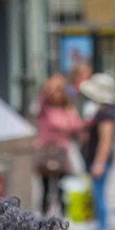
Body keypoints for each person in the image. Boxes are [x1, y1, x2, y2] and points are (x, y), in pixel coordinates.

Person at [34, 72, 84, 216]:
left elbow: (76, 126)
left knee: (62, 189)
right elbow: (42, 97)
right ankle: (43, 220)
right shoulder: (44, 108)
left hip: (62, 153)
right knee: (45, 190)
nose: (54, 94)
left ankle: (63, 220)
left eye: (57, 90)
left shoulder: (68, 108)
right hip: (46, 152)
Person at [79, 71, 115, 230]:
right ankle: (100, 224)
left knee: (99, 194)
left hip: (100, 160)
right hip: (95, 158)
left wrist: (99, 163)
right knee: (97, 193)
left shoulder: (105, 114)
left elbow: (106, 140)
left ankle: (102, 226)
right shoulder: (100, 111)